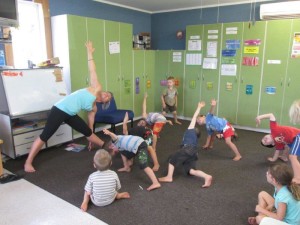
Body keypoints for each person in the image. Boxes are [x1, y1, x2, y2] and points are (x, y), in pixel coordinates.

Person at [24, 41, 112, 173]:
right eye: (107, 93)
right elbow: (92, 69)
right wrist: (89, 52)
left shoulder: (94, 107)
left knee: (87, 132)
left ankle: (105, 147)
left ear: (103, 101)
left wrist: (91, 139)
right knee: (45, 136)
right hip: (59, 109)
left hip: (70, 114)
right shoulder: (95, 88)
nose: (105, 94)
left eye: (108, 97)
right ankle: (28, 163)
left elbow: (90, 125)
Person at [159, 101, 212, 188]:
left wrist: (199, 107)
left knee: (172, 158)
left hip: (188, 149)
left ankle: (169, 177)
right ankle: (207, 176)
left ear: (194, 130)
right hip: (194, 152)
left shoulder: (190, 130)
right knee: (191, 170)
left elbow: (194, 117)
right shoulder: (194, 138)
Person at [256, 113, 300, 184]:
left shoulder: (274, 129)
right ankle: (284, 157)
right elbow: (277, 152)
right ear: (272, 144)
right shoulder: (278, 144)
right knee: (286, 145)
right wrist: (273, 159)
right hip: (293, 140)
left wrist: (259, 117)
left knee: (292, 156)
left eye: (264, 138)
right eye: (265, 142)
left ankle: (298, 178)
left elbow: (271, 115)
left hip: (298, 135)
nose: (265, 139)